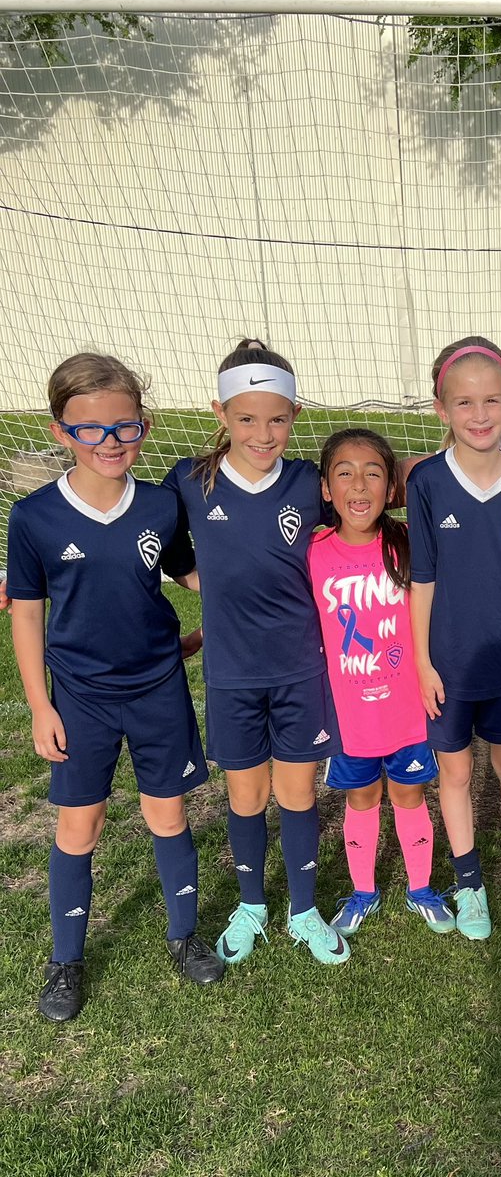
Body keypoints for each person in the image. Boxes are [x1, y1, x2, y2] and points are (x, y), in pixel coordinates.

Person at [7, 353, 223, 1021]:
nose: (109, 442)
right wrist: (41, 703)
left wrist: (242, 598)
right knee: (82, 824)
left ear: (145, 427)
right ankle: (66, 959)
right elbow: (28, 612)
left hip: (158, 686)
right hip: (79, 696)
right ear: (59, 432)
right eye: (91, 429)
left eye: (123, 428)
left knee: (168, 814)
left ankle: (183, 939)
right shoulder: (34, 516)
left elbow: (192, 576)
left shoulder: (161, 505)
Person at [164, 340, 347, 966]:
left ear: (295, 415)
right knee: (244, 796)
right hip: (233, 675)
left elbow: (373, 492)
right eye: (247, 418)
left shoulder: (305, 480)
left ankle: (302, 909)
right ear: (220, 413)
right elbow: (156, 544)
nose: (262, 433)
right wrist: (199, 584)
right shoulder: (189, 480)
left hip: (301, 669)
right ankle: (251, 905)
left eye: (277, 418)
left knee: (297, 795)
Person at [408, 337, 501, 939]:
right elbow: (422, 580)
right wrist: (422, 662)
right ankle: (469, 883)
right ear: (442, 409)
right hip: (446, 664)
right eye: (465, 403)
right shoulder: (427, 482)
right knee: (455, 775)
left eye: (492, 401)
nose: (480, 415)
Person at [310, 428, 455, 937]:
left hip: (406, 709)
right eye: (344, 474)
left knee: (411, 796)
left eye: (373, 473)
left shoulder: (409, 543)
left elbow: (437, 469)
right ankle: (363, 891)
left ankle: (420, 888)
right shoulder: (314, 549)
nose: (359, 486)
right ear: (325, 488)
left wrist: (409, 468)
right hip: (350, 713)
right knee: (362, 799)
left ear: (390, 486)